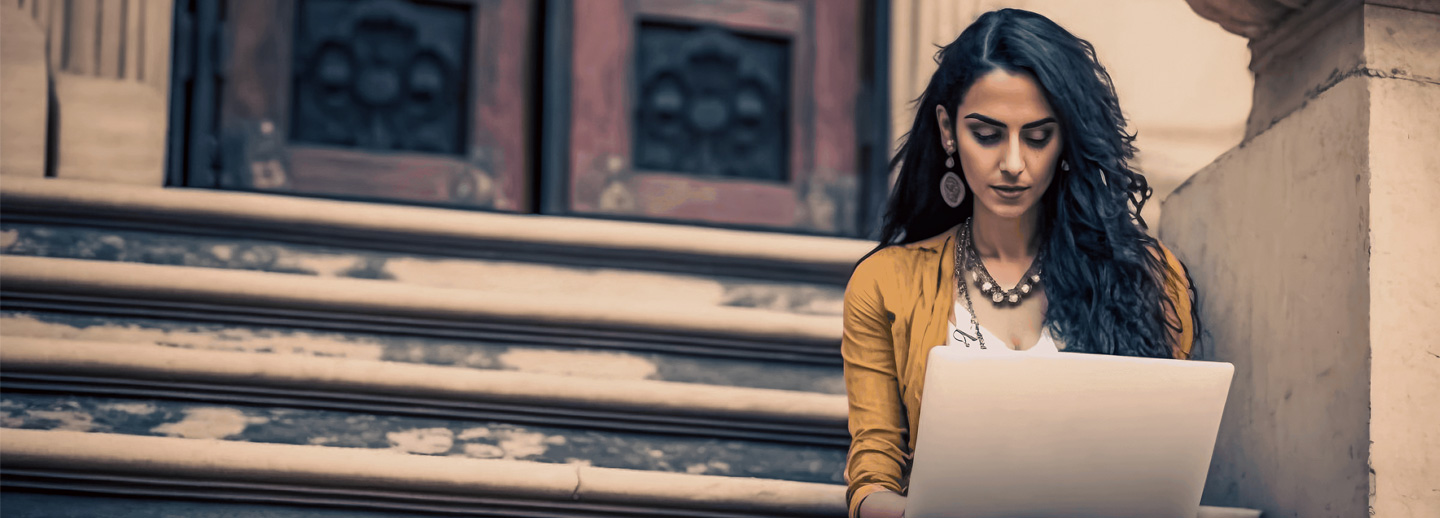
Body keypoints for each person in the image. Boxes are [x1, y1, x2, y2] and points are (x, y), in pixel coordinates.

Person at [842, 8, 1201, 518]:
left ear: (1066, 140)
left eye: (1037, 137)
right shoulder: (884, 284)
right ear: (947, 130)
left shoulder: (1146, 278)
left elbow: (1165, 466)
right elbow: (874, 474)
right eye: (986, 135)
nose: (1013, 163)